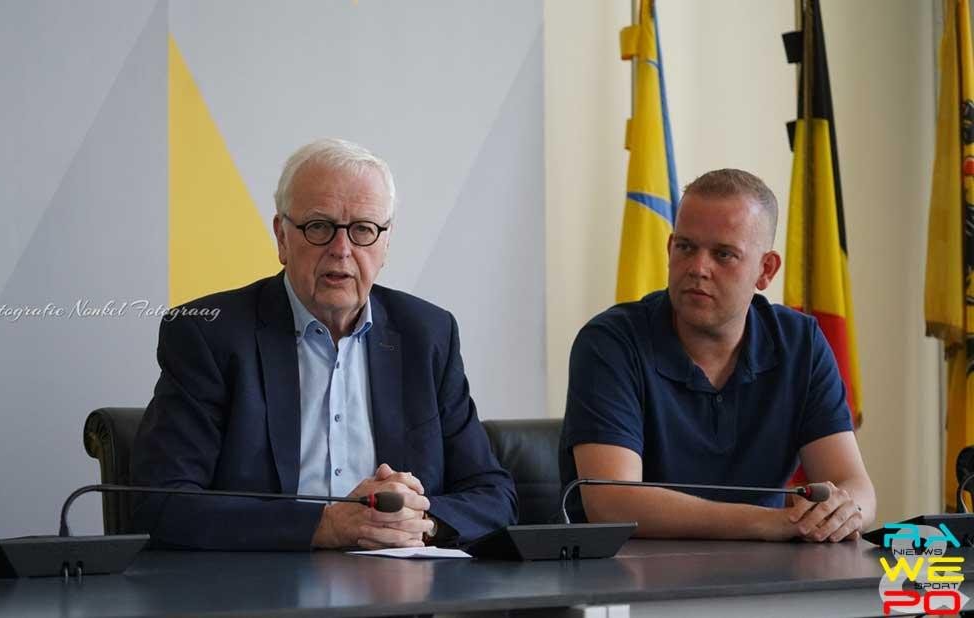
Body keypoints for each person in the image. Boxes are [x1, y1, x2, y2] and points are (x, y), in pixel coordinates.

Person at [131, 138, 516, 550]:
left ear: (385, 243)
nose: (342, 249)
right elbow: (163, 503)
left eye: (363, 230)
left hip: (401, 596)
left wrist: (421, 520)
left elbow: (494, 496)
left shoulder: (428, 335)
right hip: (262, 594)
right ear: (282, 236)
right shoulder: (209, 335)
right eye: (319, 227)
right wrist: (325, 525)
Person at [560, 168, 875, 542]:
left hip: (767, 580)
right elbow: (611, 504)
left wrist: (843, 511)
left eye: (723, 254)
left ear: (766, 270)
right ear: (669, 248)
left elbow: (856, 488)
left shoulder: (799, 343)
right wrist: (773, 522)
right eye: (686, 247)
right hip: (634, 582)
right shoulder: (610, 342)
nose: (698, 268)